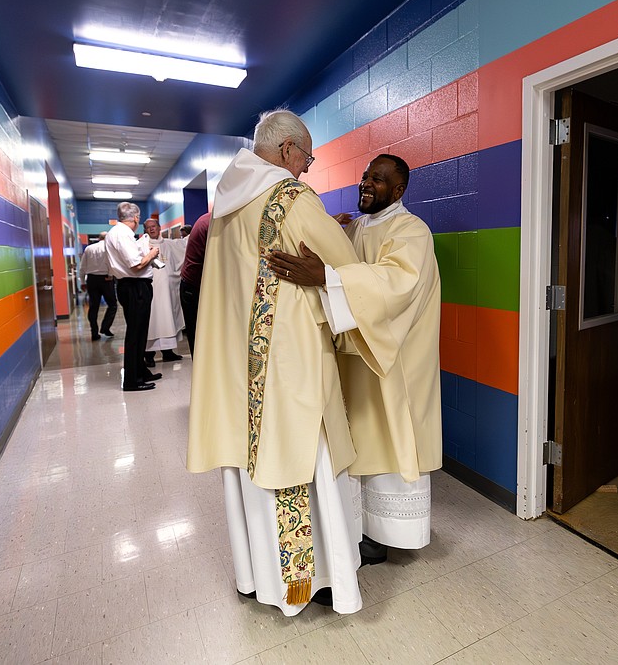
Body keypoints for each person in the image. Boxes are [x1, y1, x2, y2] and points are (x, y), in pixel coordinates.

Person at [186, 109, 375, 616]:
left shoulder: (225, 203)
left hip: (237, 362)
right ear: (288, 148)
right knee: (302, 457)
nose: (307, 168)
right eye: (306, 157)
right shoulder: (291, 198)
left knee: (253, 456)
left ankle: (258, 576)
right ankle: (311, 582)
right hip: (288, 359)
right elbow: (344, 266)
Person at [268, 153, 442, 565]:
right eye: (365, 176)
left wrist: (327, 277)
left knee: (389, 436)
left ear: (398, 190)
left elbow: (395, 284)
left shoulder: (412, 230)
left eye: (378, 179)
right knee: (360, 437)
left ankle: (392, 533)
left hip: (395, 359)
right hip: (358, 351)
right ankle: (361, 527)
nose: (366, 183)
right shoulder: (358, 226)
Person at [104, 202, 162, 392]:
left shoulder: (118, 233)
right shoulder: (122, 234)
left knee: (140, 331)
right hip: (134, 287)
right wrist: (152, 253)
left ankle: (141, 371)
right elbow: (136, 265)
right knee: (136, 334)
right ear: (136, 218)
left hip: (132, 286)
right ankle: (132, 380)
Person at [140, 218, 184, 364]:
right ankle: (149, 355)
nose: (152, 229)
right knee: (153, 320)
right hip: (151, 289)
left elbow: (185, 246)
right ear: (145, 230)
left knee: (167, 317)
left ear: (159, 228)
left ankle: (168, 352)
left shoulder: (169, 244)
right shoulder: (142, 245)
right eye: (148, 227)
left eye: (154, 226)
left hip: (168, 290)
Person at [179, 212, 210, 357]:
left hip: (198, 285)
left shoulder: (208, 220)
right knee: (198, 337)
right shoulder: (210, 223)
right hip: (194, 287)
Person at [78, 232, 117, 340]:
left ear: (99, 238)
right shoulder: (110, 248)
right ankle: (105, 327)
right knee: (112, 305)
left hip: (92, 279)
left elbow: (82, 267)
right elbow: (112, 264)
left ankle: (94, 333)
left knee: (93, 306)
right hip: (106, 279)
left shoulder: (89, 248)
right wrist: (111, 275)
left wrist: (82, 281)